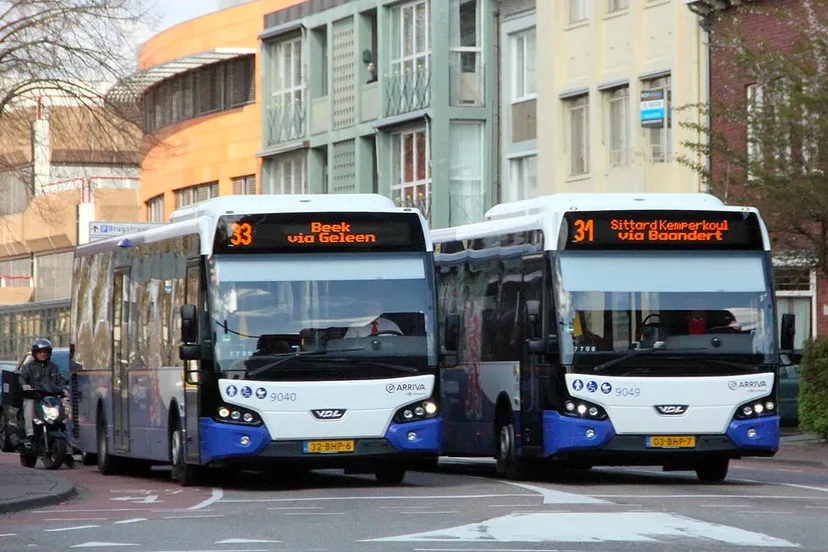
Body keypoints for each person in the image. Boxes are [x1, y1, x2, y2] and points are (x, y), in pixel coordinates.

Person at [18, 338, 67, 450]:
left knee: (63, 408)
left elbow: (60, 379)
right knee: (28, 407)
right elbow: (21, 377)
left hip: (49, 397)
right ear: (35, 353)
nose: (43, 354)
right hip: (34, 397)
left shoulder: (53, 367)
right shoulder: (28, 367)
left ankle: (64, 431)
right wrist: (25, 386)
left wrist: (63, 388)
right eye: (41, 352)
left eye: (46, 352)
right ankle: (30, 435)